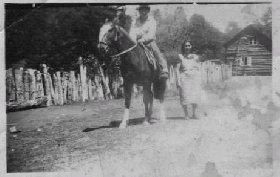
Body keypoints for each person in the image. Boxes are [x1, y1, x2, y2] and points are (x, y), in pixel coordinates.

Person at [129, 5, 169, 79]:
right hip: (136, 42)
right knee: (128, 52)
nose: (143, 12)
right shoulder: (135, 21)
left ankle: (164, 69)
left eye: (145, 10)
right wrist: (134, 40)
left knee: (156, 51)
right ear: (139, 11)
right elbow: (132, 33)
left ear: (148, 11)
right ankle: (127, 71)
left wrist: (143, 40)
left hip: (148, 41)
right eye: (141, 10)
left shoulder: (152, 21)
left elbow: (151, 34)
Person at [176, 40, 202, 119]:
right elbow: (177, 69)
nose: (187, 47)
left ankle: (194, 113)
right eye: (185, 46)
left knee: (195, 95)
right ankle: (186, 114)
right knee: (185, 95)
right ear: (183, 47)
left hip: (194, 77)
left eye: (189, 45)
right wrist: (178, 80)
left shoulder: (195, 57)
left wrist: (200, 79)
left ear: (191, 47)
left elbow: (199, 68)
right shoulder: (180, 57)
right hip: (184, 77)